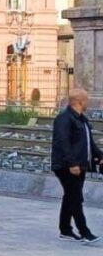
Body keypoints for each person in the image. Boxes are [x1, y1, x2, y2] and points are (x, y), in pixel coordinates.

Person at [50, 88, 101, 244]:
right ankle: (85, 232)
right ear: (80, 101)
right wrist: (72, 164)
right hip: (66, 166)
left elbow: (88, 143)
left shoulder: (82, 119)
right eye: (86, 100)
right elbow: (63, 143)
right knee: (75, 198)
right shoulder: (64, 119)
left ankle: (65, 230)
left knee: (70, 197)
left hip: (80, 165)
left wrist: (99, 156)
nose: (88, 102)